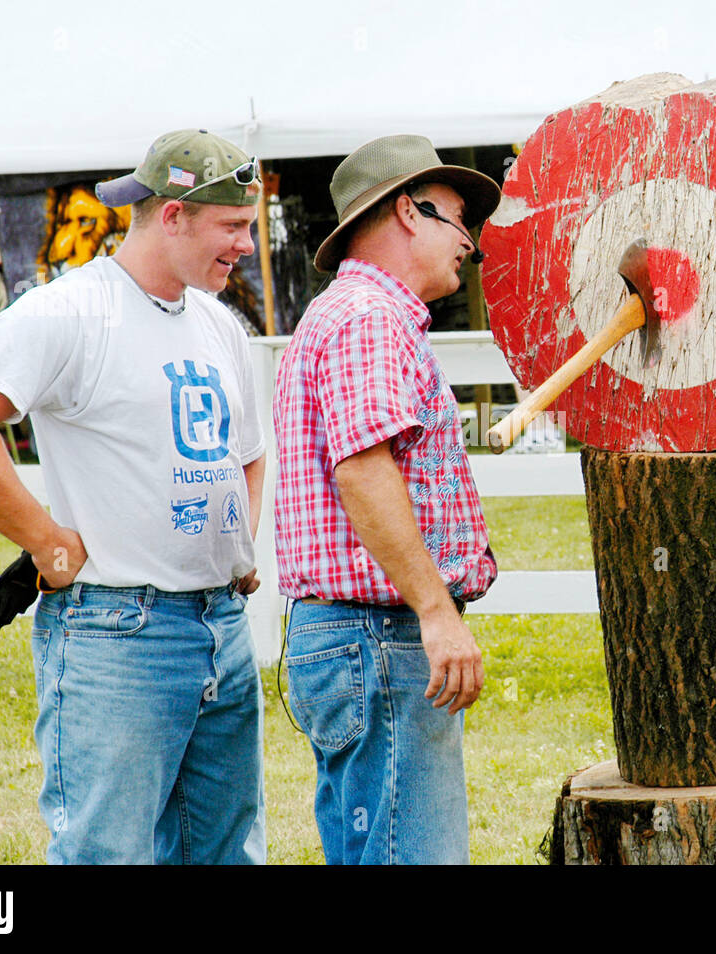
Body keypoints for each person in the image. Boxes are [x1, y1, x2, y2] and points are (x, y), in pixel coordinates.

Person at [0, 129, 268, 864]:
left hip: (221, 627)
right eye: (232, 227)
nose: (245, 245)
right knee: (108, 852)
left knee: (226, 852)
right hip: (119, 633)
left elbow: (249, 451)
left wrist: (237, 544)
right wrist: (47, 541)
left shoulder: (219, 324)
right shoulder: (72, 311)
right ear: (171, 214)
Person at [272, 134, 501, 865]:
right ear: (409, 211)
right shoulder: (371, 319)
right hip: (378, 636)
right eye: (459, 220)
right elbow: (363, 472)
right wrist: (436, 613)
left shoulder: (351, 313)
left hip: (350, 641)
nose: (471, 243)